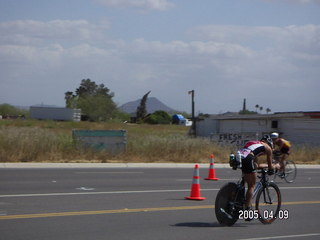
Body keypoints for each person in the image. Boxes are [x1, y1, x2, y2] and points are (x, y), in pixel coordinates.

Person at [236, 135, 274, 220]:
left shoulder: (255, 144)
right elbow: (270, 165)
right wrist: (271, 169)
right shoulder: (268, 147)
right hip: (248, 158)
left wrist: (257, 168)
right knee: (251, 185)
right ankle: (247, 211)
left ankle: (238, 199)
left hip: (239, 156)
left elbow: (255, 165)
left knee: (246, 179)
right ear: (269, 143)